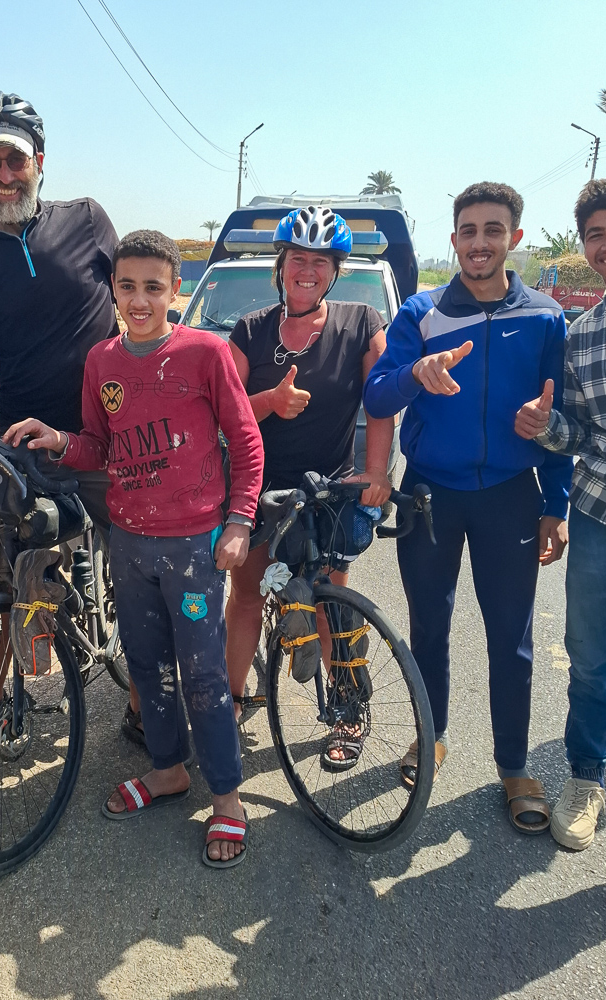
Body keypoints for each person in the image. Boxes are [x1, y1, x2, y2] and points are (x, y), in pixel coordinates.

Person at [3, 230, 264, 867]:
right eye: (128, 287)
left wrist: (239, 522)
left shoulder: (206, 353)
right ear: (113, 291)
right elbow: (100, 444)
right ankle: (169, 769)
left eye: (154, 286)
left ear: (177, 289)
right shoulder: (102, 362)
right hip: (131, 541)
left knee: (203, 674)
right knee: (145, 666)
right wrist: (58, 440)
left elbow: (246, 440)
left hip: (195, 546)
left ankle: (227, 797)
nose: (140, 299)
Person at [364, 182, 573, 835]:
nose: (479, 242)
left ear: (514, 237)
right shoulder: (422, 314)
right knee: (429, 628)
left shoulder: (544, 316)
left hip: (511, 498)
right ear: (453, 240)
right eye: (468, 231)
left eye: (493, 230)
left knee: (511, 639)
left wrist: (556, 501)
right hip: (431, 493)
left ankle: (513, 766)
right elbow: (376, 394)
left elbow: (559, 418)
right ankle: (432, 737)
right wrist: (414, 375)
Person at [0, 90, 141, 752]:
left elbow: (138, 307)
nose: (5, 175)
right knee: (13, 560)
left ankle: (145, 703)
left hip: (108, 438)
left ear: (40, 160)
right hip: (25, 440)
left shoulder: (87, 221)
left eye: (16, 160)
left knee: (139, 568)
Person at [515, 175, 606, 850]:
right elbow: (578, 434)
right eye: (594, 235)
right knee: (592, 665)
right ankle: (585, 780)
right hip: (602, 513)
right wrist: (545, 427)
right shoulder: (582, 334)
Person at [225, 206, 394, 765]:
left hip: (327, 490)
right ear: (282, 263)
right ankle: (230, 700)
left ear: (335, 271)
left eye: (320, 262)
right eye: (298, 258)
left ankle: (348, 707)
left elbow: (382, 398)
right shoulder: (250, 330)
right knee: (246, 596)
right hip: (257, 486)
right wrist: (269, 402)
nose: (307, 270)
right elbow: (222, 410)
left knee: (328, 603)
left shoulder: (362, 322)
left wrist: (375, 471)